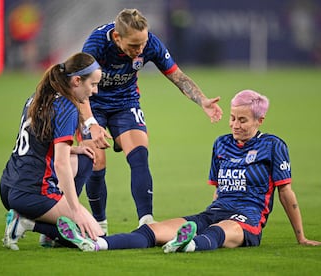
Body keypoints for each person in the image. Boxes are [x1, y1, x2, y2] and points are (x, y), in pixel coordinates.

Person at [56, 89, 321, 252]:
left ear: (260, 120)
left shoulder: (273, 146)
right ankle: (96, 244)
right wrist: (209, 213)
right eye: (233, 118)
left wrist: (301, 237)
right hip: (216, 211)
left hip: (247, 220)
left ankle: (189, 244)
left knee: (222, 229)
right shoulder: (221, 144)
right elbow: (217, 192)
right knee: (155, 229)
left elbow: (286, 194)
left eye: (243, 120)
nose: (234, 125)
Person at [80, 8, 223, 232]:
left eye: (143, 43)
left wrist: (202, 100)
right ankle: (99, 225)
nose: (140, 50)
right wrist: (91, 124)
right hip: (92, 103)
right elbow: (78, 89)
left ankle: (147, 221)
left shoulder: (151, 44)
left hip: (125, 103)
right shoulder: (96, 44)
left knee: (139, 153)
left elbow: (177, 75)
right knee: (95, 161)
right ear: (117, 38)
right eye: (134, 45)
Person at [0, 52, 105, 251]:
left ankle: (49, 232)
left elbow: (37, 143)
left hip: (8, 185)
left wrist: (75, 149)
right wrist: (76, 211)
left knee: (84, 159)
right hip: (32, 192)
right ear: (76, 81)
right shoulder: (67, 107)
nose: (95, 91)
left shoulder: (39, 96)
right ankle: (26, 223)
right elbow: (61, 163)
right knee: (97, 237)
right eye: (93, 84)